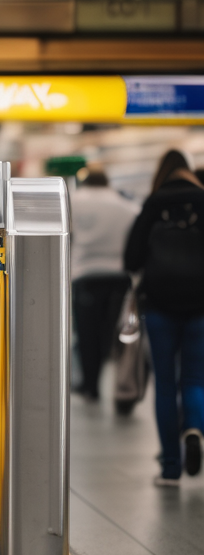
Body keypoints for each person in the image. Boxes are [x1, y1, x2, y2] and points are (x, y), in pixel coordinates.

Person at [124, 150, 204, 486]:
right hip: (200, 305)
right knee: (195, 380)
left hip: (158, 306)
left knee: (165, 385)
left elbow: (132, 258)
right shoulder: (203, 200)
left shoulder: (154, 203)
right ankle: (195, 428)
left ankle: (170, 467)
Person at [70, 164, 140, 400]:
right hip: (118, 278)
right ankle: (110, 383)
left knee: (86, 333)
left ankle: (90, 385)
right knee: (108, 332)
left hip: (84, 274)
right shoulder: (126, 206)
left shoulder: (74, 201)